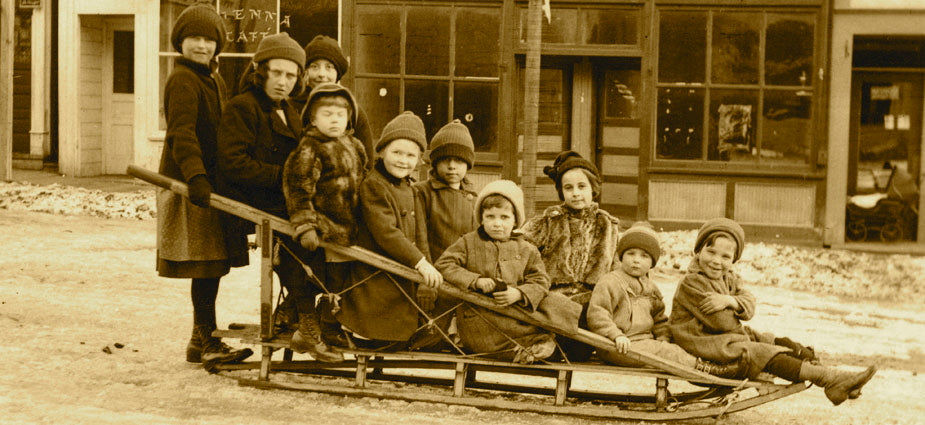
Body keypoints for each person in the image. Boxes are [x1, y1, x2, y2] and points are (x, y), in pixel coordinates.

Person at [216, 32, 341, 362]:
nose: (283, 82)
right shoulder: (242, 108)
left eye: (290, 75)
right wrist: (289, 180)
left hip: (282, 196)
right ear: (261, 72)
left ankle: (314, 317)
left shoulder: (288, 109)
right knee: (301, 241)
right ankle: (308, 325)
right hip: (253, 199)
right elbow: (234, 164)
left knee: (332, 229)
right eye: (276, 73)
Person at [668, 218, 877, 406]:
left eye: (725, 256)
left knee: (781, 343)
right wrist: (737, 308)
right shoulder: (692, 282)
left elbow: (749, 304)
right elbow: (723, 322)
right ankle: (828, 379)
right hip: (700, 344)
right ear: (697, 251)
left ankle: (836, 380)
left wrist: (730, 300)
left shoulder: (728, 276)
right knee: (762, 352)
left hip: (722, 339)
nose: (716, 261)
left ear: (733, 260)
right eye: (710, 252)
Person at [157, 3, 251, 368]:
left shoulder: (212, 78)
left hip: (211, 184)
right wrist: (196, 177)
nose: (202, 45)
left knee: (213, 264)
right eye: (194, 38)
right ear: (180, 42)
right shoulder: (182, 79)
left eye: (210, 39)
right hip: (191, 186)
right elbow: (182, 134)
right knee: (206, 264)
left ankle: (202, 340)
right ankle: (205, 339)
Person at [436, 180, 581, 364]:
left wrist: (519, 293)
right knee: (491, 335)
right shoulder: (468, 242)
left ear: (515, 221)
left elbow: (540, 280)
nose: (497, 224)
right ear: (481, 218)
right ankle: (526, 350)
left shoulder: (527, 248)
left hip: (515, 312)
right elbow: (445, 264)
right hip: (481, 316)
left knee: (558, 302)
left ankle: (553, 343)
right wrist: (475, 280)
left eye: (504, 217)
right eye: (490, 217)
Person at [334, 111, 441, 345]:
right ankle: (367, 337)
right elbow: (386, 232)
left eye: (411, 155)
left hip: (401, 266)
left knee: (405, 310)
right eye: (397, 152)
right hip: (376, 268)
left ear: (420, 160)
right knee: (378, 315)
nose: (403, 160)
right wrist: (419, 262)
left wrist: (425, 262)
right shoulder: (374, 185)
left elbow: (420, 231)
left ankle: (403, 336)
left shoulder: (409, 188)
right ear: (381, 152)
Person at [587, 222, 746, 378]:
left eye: (644, 256)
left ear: (652, 263)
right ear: (621, 256)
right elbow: (598, 313)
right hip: (615, 346)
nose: (636, 260)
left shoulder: (651, 288)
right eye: (631, 253)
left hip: (643, 345)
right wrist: (616, 335)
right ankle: (705, 369)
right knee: (668, 351)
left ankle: (704, 364)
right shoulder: (609, 282)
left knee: (668, 347)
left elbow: (659, 319)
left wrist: (664, 338)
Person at [282, 82, 368, 350]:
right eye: (327, 114)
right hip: (324, 229)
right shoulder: (310, 147)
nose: (334, 120)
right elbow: (298, 187)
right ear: (313, 118)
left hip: (349, 229)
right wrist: (306, 224)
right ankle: (308, 325)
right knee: (319, 278)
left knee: (342, 281)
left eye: (340, 115)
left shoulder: (355, 146)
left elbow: (365, 181)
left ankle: (330, 326)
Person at [521, 150, 620, 360]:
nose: (576, 193)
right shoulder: (548, 221)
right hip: (555, 299)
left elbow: (616, 269)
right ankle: (548, 346)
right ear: (561, 192)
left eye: (582, 186)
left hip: (592, 301)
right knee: (553, 313)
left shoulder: (607, 225)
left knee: (586, 331)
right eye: (569, 188)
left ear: (593, 188)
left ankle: (555, 349)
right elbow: (521, 250)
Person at [412, 119, 479, 349]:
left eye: (459, 160)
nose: (452, 166)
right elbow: (420, 237)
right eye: (446, 160)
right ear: (435, 163)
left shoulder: (473, 198)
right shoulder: (422, 192)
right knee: (430, 338)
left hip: (462, 280)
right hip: (433, 278)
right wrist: (426, 282)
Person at [291, 35, 373, 162]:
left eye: (329, 67)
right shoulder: (291, 106)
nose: (322, 74)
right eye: (314, 66)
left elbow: (367, 162)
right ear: (305, 71)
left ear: (338, 73)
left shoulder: (353, 110)